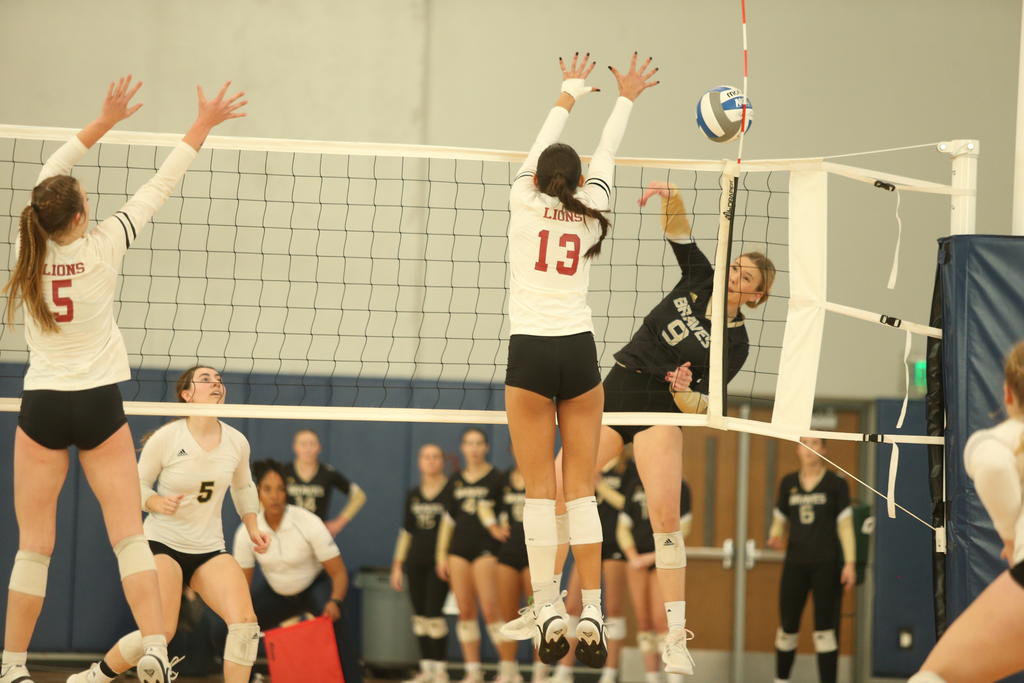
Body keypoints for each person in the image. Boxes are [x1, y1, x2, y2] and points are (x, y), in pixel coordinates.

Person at [0, 76, 246, 683]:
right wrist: (202, 124)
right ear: (83, 216)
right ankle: (158, 649)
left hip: (43, 404)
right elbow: (162, 184)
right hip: (97, 403)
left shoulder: (26, 244)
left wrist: (101, 121)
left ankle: (11, 668)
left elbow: (53, 170)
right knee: (128, 538)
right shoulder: (106, 243)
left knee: (35, 546)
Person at [544, 180, 776, 674]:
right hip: (624, 385)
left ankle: (675, 638)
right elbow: (680, 234)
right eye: (737, 266)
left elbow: (704, 406)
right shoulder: (700, 276)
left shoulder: (736, 346)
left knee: (664, 517)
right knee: (562, 484)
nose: (736, 276)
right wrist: (671, 198)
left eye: (747, 277)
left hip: (663, 412)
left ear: (757, 295)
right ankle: (547, 605)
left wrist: (683, 391)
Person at [499, 50, 658, 668]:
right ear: (576, 179)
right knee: (582, 492)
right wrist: (626, 97)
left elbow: (545, 145)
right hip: (579, 353)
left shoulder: (522, 199)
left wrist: (567, 91)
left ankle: (547, 609)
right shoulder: (592, 212)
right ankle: (592, 608)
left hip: (531, 356)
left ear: (538, 177)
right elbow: (606, 157)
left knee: (541, 493)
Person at [68, 366, 269, 683]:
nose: (216, 383)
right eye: (205, 379)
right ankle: (97, 677)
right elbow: (135, 485)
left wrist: (253, 523)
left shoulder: (236, 441)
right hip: (162, 544)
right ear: (186, 394)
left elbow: (244, 487)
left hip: (209, 549)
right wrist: (153, 502)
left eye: (218, 379)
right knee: (159, 632)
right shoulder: (167, 438)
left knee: (245, 623)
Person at [909, 341, 1024, 683]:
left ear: (1007, 393)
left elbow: (992, 465)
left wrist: (1008, 535)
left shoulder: (1002, 438)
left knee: (934, 676)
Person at [234, 459, 350, 677]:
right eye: (268, 489)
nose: (275, 495)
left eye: (280, 489)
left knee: (339, 623)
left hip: (313, 587)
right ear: (258, 492)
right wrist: (239, 616)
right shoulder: (247, 531)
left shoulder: (308, 521)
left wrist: (335, 601)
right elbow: (242, 585)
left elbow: (339, 572)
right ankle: (250, 679)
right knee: (228, 629)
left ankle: (351, 678)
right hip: (276, 593)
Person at [766, 437, 855, 683]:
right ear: (797, 449)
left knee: (825, 632)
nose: (809, 448)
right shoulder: (788, 483)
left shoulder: (836, 484)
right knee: (787, 629)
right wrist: (774, 536)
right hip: (795, 564)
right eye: (804, 443)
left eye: (815, 443)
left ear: (824, 449)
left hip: (826, 565)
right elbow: (779, 518)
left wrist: (849, 563)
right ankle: (781, 680)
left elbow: (846, 526)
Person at [553, 454, 635, 683]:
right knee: (572, 607)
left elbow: (629, 505)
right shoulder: (586, 461)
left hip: (615, 543)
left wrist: (600, 485)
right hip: (587, 542)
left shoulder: (628, 468)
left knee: (613, 608)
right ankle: (564, 671)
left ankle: (609, 674)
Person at [435, 428, 506, 683]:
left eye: (479, 443)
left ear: (486, 447)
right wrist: (441, 556)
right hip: (458, 550)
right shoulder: (455, 480)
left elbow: (506, 514)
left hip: (486, 550)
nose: (474, 448)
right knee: (465, 610)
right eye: (469, 443)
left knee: (490, 610)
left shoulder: (497, 479)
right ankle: (473, 671)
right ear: (462, 448)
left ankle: (508, 670)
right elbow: (448, 521)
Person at [617, 474, 692, 683]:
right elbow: (622, 526)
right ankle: (652, 679)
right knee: (644, 622)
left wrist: (653, 556)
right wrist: (632, 556)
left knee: (663, 621)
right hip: (637, 560)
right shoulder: (633, 485)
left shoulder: (679, 486)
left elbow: (684, 528)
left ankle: (675, 678)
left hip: (663, 559)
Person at [391, 444, 451, 683]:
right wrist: (397, 564)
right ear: (419, 462)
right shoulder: (413, 494)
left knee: (435, 616)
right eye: (426, 457)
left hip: (439, 563)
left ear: (442, 461)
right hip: (415, 561)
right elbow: (406, 530)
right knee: (420, 618)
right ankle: (426, 670)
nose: (431, 461)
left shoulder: (450, 492)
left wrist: (445, 558)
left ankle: (441, 670)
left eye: (436, 457)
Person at [284, 428, 366, 536]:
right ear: (295, 447)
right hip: (288, 532)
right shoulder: (284, 471)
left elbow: (359, 496)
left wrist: (338, 523)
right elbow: (262, 495)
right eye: (303, 444)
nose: (308, 449)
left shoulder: (327, 473)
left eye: (312, 444)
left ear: (319, 447)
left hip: (317, 532)